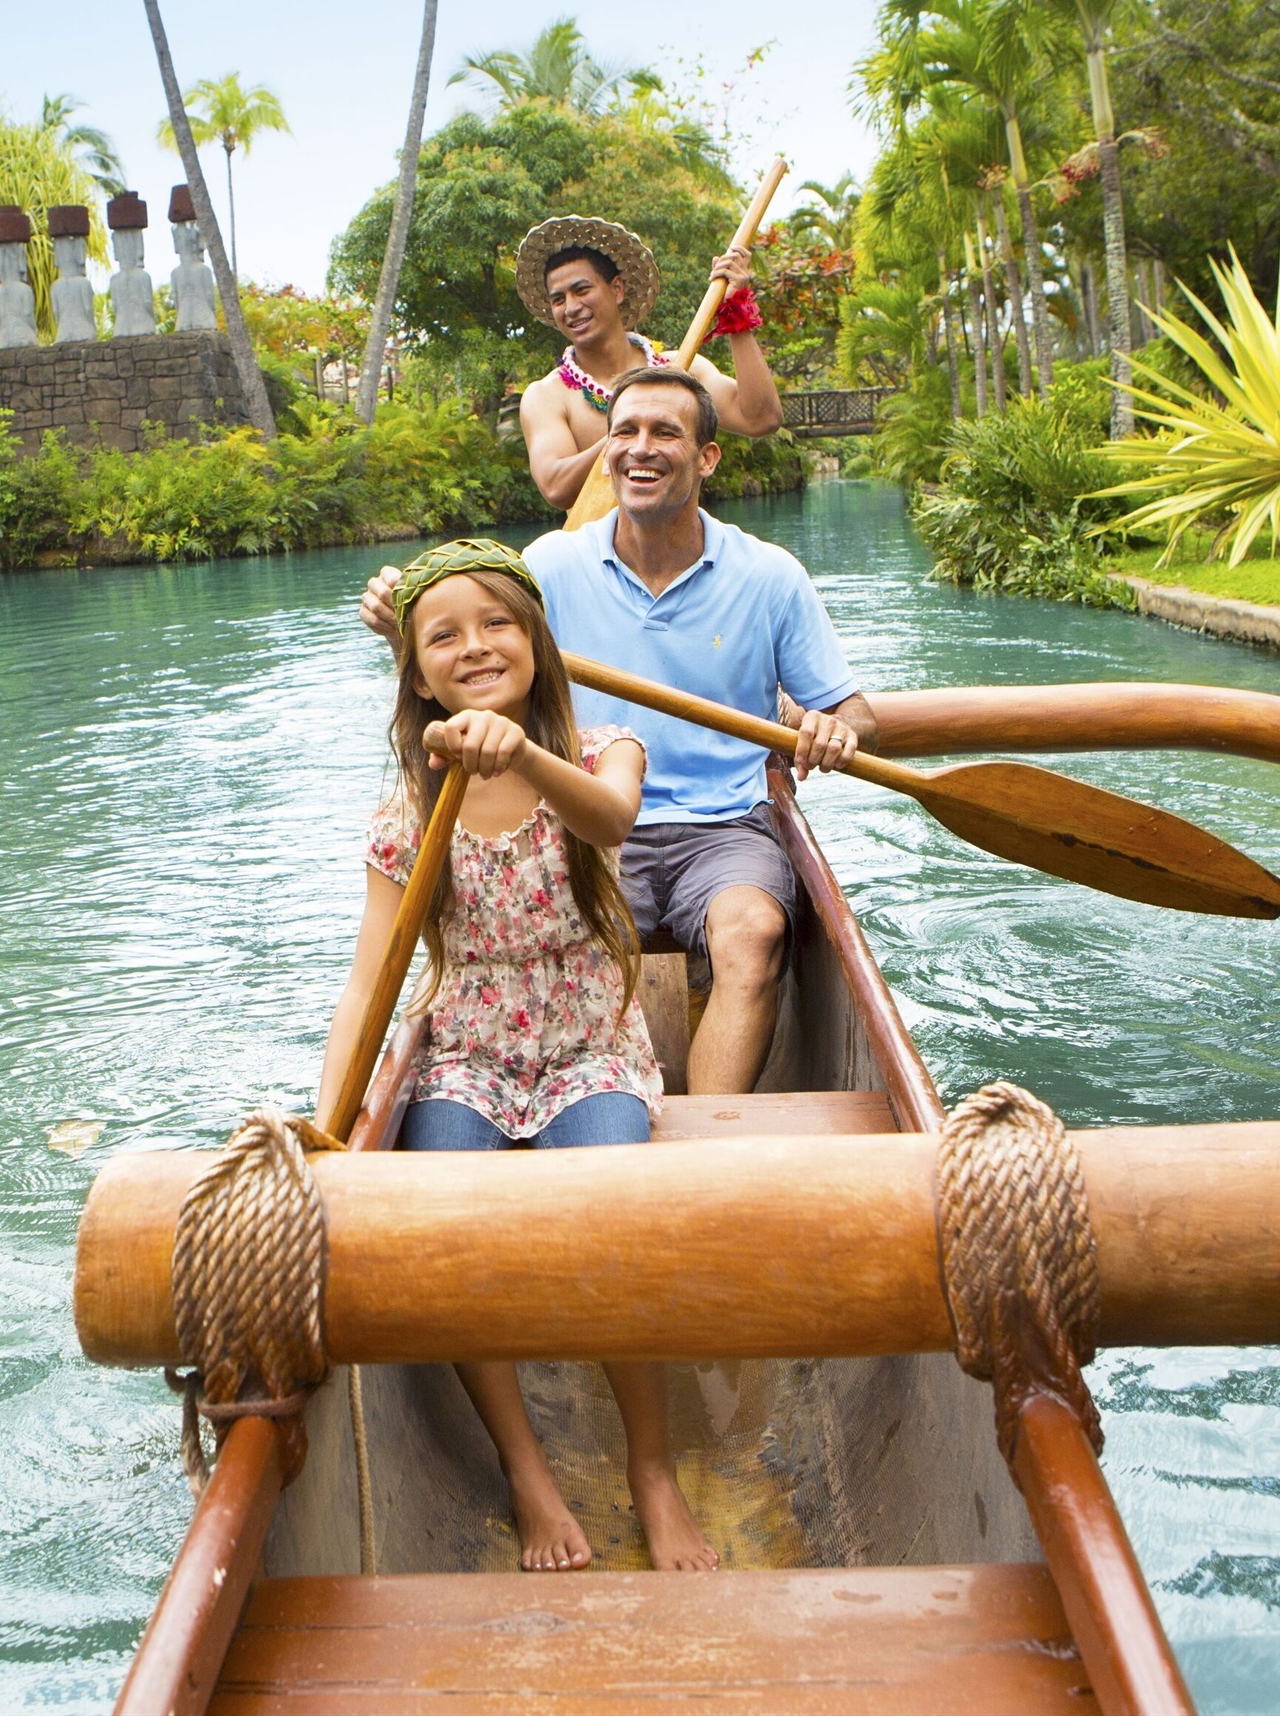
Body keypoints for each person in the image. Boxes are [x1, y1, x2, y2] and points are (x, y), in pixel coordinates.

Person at [318, 536, 716, 1574]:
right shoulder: (410, 812)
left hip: (589, 1042)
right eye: (443, 636)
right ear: (415, 675)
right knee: (445, 1229)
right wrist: (326, 1131)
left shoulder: (601, 753)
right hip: (468, 1051)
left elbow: (610, 816)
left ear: (537, 642)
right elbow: (368, 983)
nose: (476, 646)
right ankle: (527, 1473)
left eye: (497, 624)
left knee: (613, 1219)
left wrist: (518, 752)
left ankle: (649, 1471)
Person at [363, 368, 876, 1096]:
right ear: (606, 452)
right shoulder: (549, 566)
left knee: (754, 934)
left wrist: (830, 725)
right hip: (583, 816)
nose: (641, 448)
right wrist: (398, 615)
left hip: (726, 821)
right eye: (625, 431)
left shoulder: (770, 575)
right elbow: (463, 643)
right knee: (546, 942)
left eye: (665, 432)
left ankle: (705, 1142)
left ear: (706, 459)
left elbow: (859, 715)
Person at [512, 215, 786, 511]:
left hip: (680, 551)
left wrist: (735, 311)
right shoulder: (546, 395)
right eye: (558, 300)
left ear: (616, 289)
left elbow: (762, 419)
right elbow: (556, 487)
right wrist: (632, 422)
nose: (572, 307)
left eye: (582, 290)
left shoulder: (682, 368)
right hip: (598, 554)